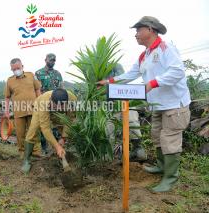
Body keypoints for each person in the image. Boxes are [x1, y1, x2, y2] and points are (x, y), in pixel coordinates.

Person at [97, 16, 191, 192]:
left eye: (138, 30)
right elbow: (131, 74)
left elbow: (178, 72)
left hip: (174, 105)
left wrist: (152, 83)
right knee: (157, 137)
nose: (136, 35)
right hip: (158, 104)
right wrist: (109, 81)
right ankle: (162, 167)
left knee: (169, 140)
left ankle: (170, 177)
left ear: (150, 29)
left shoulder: (166, 47)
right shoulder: (144, 54)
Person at [21, 88, 76, 173]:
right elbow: (45, 128)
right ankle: (26, 160)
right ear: (51, 100)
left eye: (60, 106)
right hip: (40, 108)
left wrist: (63, 138)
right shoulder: (44, 102)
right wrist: (57, 146)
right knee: (33, 129)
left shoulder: (72, 100)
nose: (58, 108)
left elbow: (69, 120)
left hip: (59, 114)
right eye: (55, 106)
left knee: (64, 129)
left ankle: (62, 153)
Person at [105, 63, 147, 162]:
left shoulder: (115, 66)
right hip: (112, 104)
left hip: (123, 102)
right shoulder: (100, 69)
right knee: (112, 130)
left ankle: (136, 150)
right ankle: (121, 154)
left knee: (128, 124)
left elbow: (122, 80)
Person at [4, 58, 41, 157]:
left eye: (18, 68)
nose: (16, 70)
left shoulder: (31, 75)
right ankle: (22, 152)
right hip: (18, 111)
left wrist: (40, 104)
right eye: (13, 69)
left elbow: (37, 90)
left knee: (34, 131)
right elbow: (7, 97)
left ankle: (36, 152)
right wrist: (6, 111)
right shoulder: (10, 80)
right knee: (20, 133)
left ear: (22, 66)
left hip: (33, 109)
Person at [35, 53, 63, 155]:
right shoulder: (38, 73)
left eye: (54, 60)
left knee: (56, 125)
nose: (52, 62)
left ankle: (57, 147)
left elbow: (61, 89)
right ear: (45, 59)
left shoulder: (58, 74)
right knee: (44, 126)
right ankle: (44, 148)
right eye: (50, 60)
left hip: (56, 104)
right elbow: (36, 89)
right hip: (44, 104)